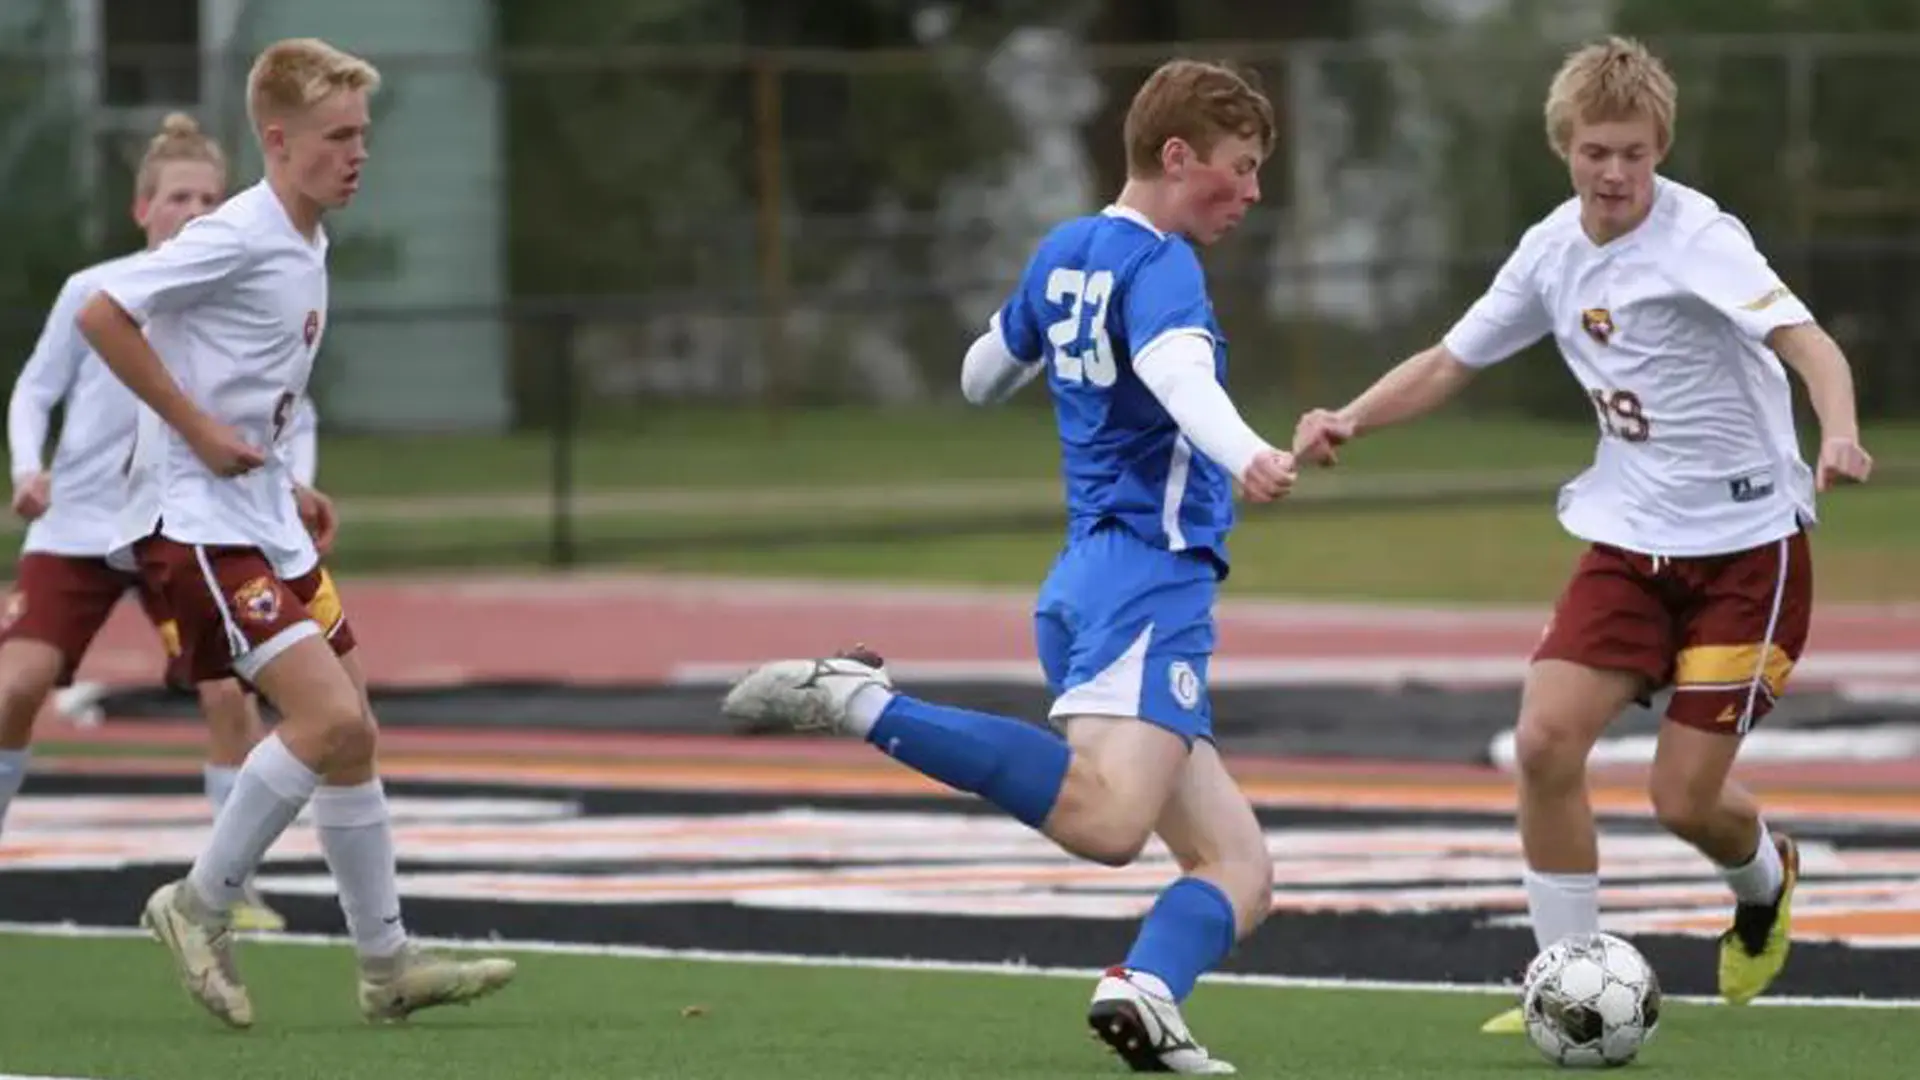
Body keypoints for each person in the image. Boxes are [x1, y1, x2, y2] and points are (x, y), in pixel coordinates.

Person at [1288, 36, 1872, 1032]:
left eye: (1635, 154)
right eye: (1597, 151)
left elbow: (1806, 342)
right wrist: (1349, 415)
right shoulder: (1551, 250)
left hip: (1747, 550)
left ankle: (1766, 879)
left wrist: (1842, 429)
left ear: (1660, 150)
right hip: (1628, 543)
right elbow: (1448, 360)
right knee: (1544, 744)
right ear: (1566, 144)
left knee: (1684, 801)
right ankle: (1564, 976)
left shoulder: (1701, 238)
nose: (1615, 174)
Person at [722, 58, 1293, 1075]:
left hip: (1080, 582)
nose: (1252, 192)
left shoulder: (1066, 248)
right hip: (1146, 582)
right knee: (1111, 821)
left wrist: (1055, 357)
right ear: (1176, 155)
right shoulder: (1163, 265)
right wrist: (1245, 452)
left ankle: (1147, 995)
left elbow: (981, 374)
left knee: (1239, 865)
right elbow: (1176, 372)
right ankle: (862, 703)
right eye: (1239, 168)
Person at [75, 37, 515, 1030]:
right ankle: (197, 902)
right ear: (277, 140)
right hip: (195, 524)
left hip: (264, 519)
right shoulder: (236, 233)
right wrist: (194, 430)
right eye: (336, 136)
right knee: (322, 722)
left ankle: (385, 963)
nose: (358, 153)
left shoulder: (307, 237)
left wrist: (285, 480)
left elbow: (245, 378)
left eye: (362, 134)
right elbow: (103, 317)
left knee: (354, 732)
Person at [0, 112, 289, 932]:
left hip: (177, 527)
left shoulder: (235, 303)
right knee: (15, 686)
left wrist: (291, 484)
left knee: (228, 698)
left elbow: (282, 412)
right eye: (175, 197)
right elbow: (35, 388)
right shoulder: (95, 290)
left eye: (208, 196)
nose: (192, 211)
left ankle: (229, 890)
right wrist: (29, 467)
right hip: (79, 529)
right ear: (142, 209)